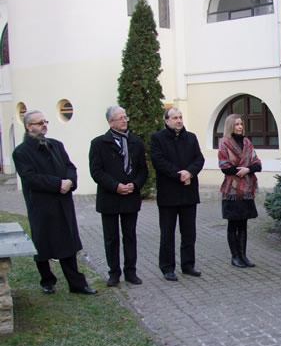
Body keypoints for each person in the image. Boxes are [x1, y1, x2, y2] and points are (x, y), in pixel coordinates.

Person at [12, 110, 98, 295]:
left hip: (63, 202)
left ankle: (77, 284)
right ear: (29, 127)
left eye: (45, 121)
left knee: (68, 244)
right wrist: (58, 184)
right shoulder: (21, 152)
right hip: (41, 205)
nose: (44, 125)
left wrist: (70, 181)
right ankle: (47, 280)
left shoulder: (56, 145)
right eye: (39, 123)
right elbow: (30, 178)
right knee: (43, 244)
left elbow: (70, 166)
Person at [89, 106, 148, 287]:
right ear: (110, 122)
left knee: (130, 236)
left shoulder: (136, 142)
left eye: (125, 117)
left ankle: (131, 272)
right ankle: (114, 273)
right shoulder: (99, 143)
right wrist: (115, 186)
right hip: (110, 197)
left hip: (130, 196)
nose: (124, 120)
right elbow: (96, 171)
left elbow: (143, 170)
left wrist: (135, 184)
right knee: (111, 238)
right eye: (120, 118)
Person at [150, 107, 205, 281]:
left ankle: (188, 265)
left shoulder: (191, 137)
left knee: (189, 233)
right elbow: (158, 161)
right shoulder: (157, 138)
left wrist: (189, 172)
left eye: (180, 117)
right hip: (169, 194)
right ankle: (167, 267)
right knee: (167, 233)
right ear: (166, 121)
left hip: (189, 192)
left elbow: (199, 159)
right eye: (175, 118)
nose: (179, 120)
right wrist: (179, 175)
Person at [218, 114, 262, 268]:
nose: (240, 127)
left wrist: (247, 169)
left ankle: (243, 256)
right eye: (237, 124)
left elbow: (258, 164)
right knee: (233, 223)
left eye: (241, 124)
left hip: (247, 190)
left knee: (243, 223)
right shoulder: (224, 143)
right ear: (231, 126)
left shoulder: (247, 143)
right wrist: (242, 170)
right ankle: (235, 257)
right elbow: (224, 166)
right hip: (232, 190)